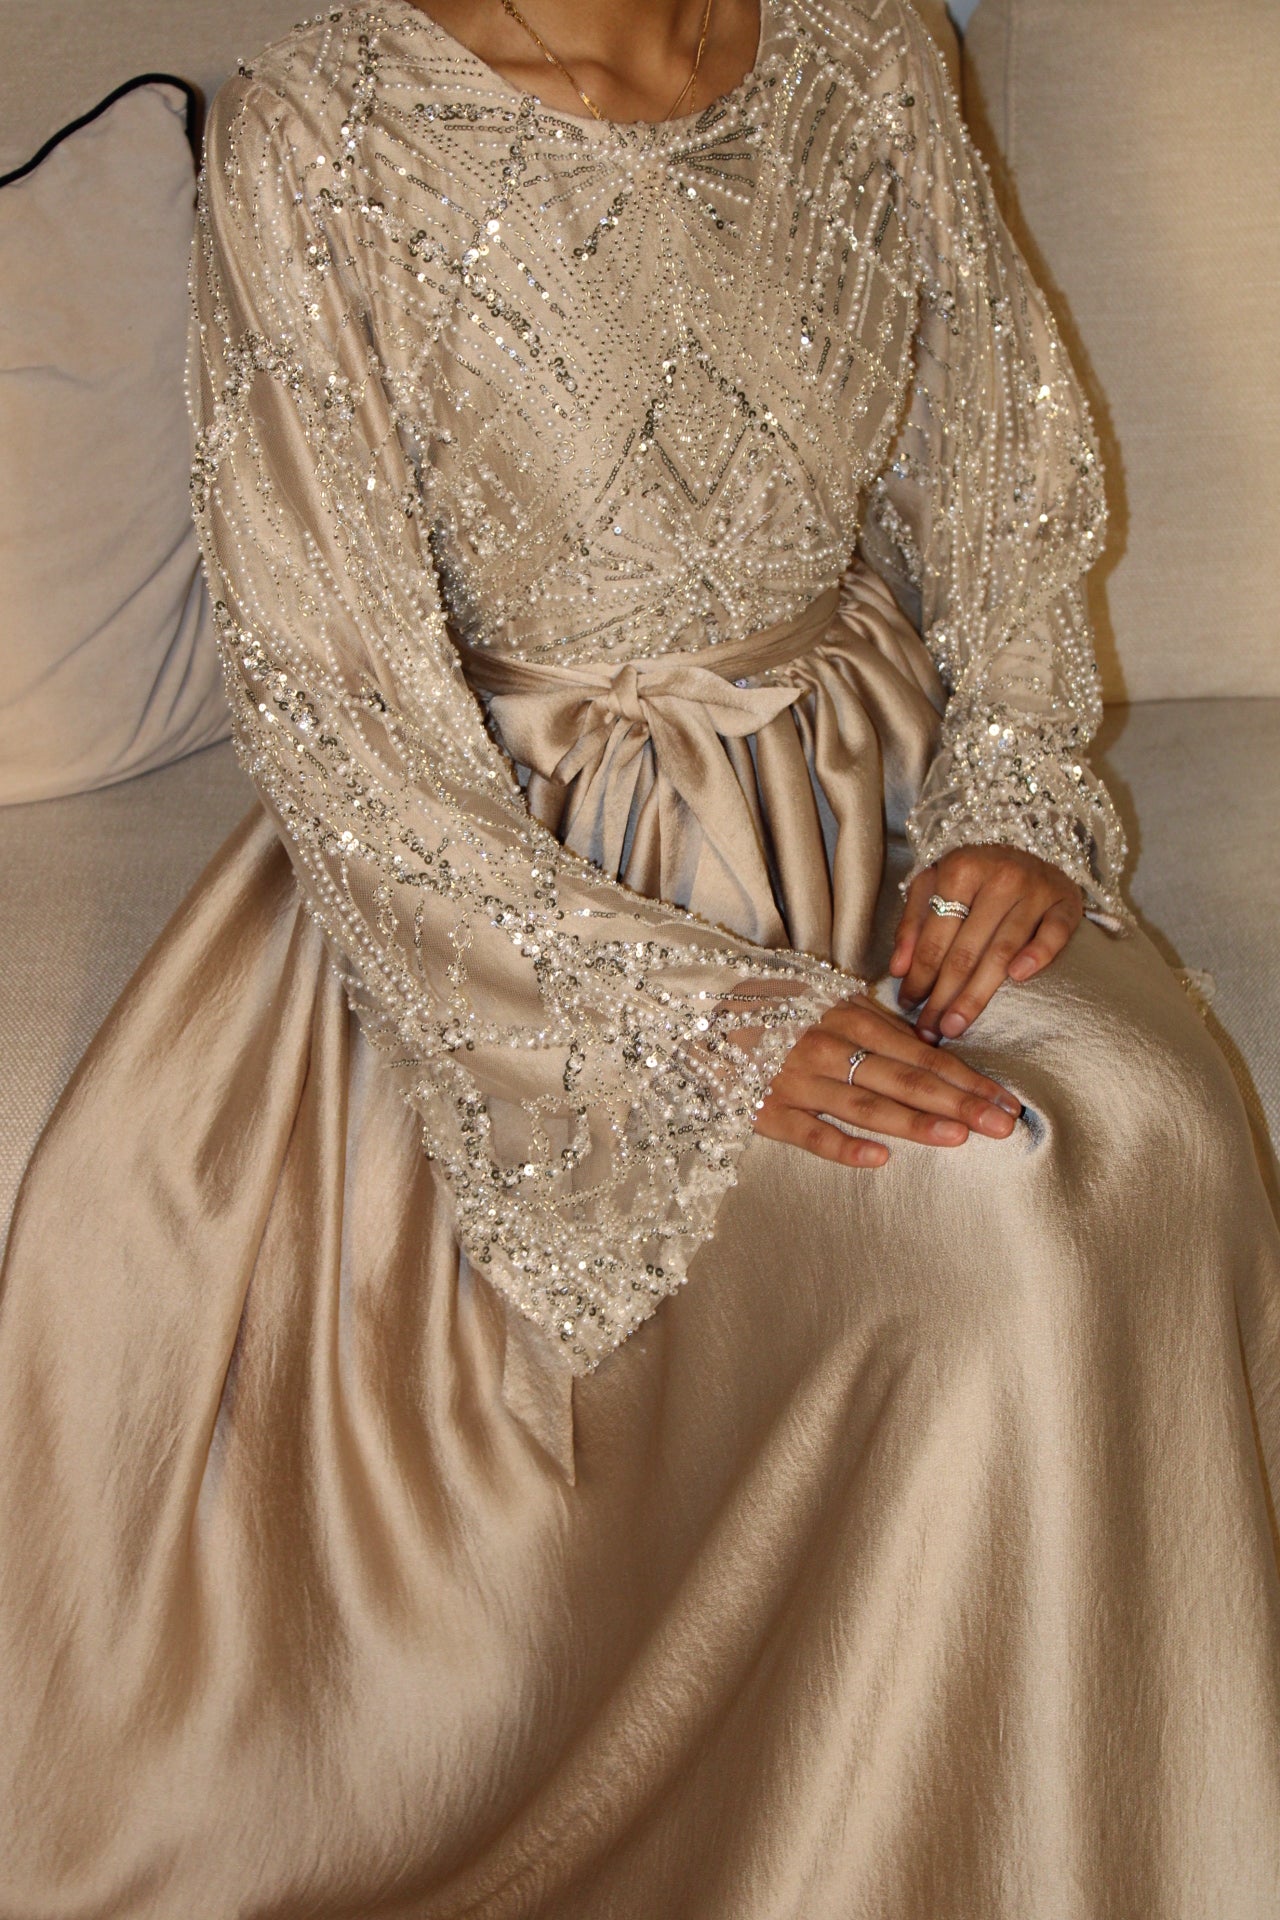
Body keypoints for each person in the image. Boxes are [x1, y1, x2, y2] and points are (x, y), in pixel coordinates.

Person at [2, 0, 1278, 1911]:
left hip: (877, 801)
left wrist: (1011, 788)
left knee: (1160, 1134)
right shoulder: (317, 123)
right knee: (988, 1216)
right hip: (515, 889)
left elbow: (998, 455)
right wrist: (695, 1019)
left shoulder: (865, 42)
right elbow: (329, 689)